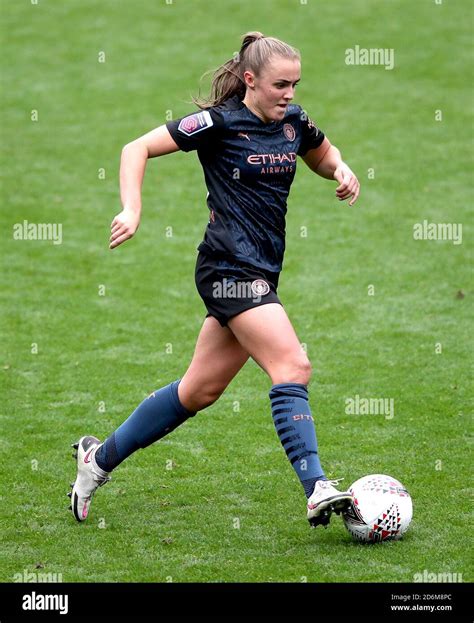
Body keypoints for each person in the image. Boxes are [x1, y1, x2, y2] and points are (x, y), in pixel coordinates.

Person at [68, 31, 360, 528]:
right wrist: (132, 209)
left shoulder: (294, 121)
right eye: (279, 85)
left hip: (263, 269)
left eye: (295, 84)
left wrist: (341, 170)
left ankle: (95, 461)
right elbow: (135, 148)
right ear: (250, 80)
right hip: (227, 270)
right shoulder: (219, 122)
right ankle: (317, 488)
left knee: (197, 391)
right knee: (293, 364)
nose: (289, 93)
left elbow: (322, 154)